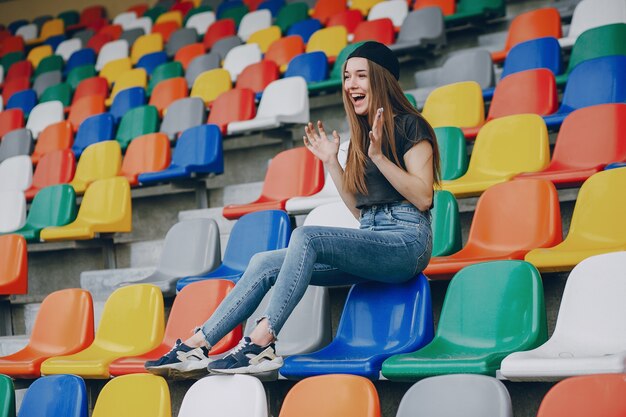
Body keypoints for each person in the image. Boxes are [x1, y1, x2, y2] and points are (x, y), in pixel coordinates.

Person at [145, 41, 441, 377]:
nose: (351, 85)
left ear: (383, 79)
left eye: (361, 76)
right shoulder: (363, 138)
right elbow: (360, 212)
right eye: (347, 77)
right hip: (374, 237)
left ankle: (263, 340)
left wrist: (380, 159)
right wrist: (332, 161)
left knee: (306, 236)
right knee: (264, 262)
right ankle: (200, 342)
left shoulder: (411, 126)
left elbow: (422, 197)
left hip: (407, 243)